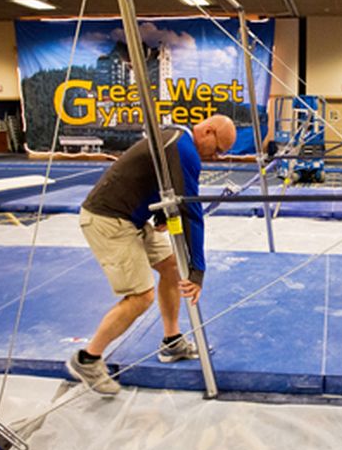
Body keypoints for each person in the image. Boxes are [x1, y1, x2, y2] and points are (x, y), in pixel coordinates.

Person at [67, 114, 237, 395]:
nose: (217, 157)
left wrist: (156, 212)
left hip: (131, 217)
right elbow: (190, 213)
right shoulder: (185, 150)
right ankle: (88, 358)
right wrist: (197, 271)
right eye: (218, 149)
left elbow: (152, 178)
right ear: (207, 131)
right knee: (140, 296)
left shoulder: (176, 137)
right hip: (107, 218)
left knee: (171, 266)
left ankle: (172, 341)